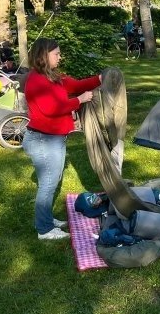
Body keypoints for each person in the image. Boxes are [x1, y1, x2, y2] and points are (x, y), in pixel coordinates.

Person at [22, 38, 102, 240]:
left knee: (51, 181)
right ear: (43, 56)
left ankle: (47, 219)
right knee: (48, 184)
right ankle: (45, 229)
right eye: (56, 53)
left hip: (52, 139)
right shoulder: (36, 81)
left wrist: (100, 79)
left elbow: (75, 84)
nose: (60, 56)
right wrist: (79, 100)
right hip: (43, 140)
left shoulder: (52, 76)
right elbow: (51, 109)